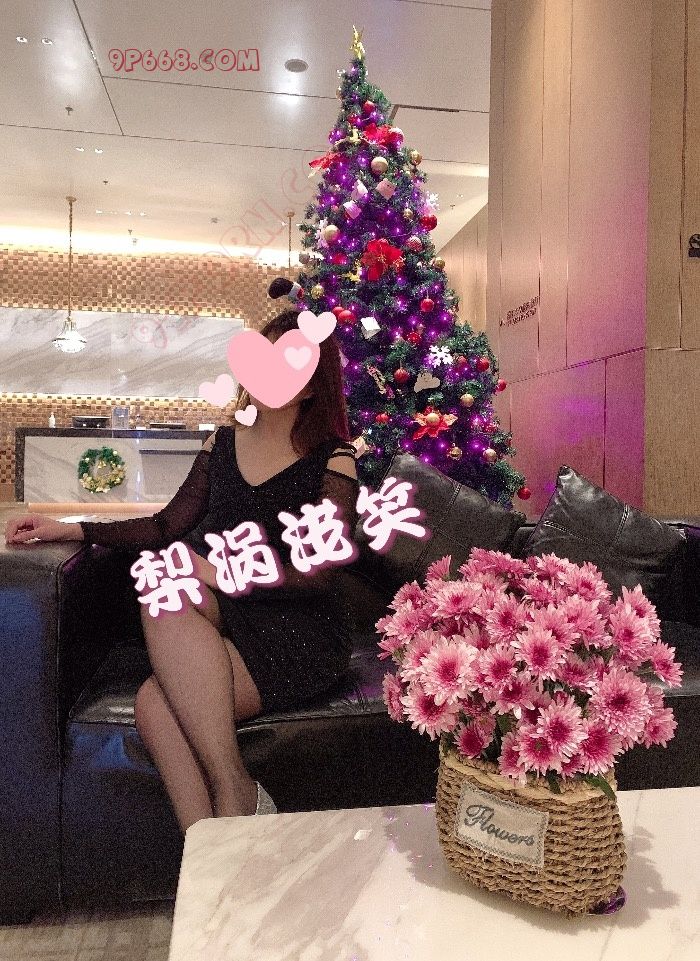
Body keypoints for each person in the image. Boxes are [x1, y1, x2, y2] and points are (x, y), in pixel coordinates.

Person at [4, 306, 360, 834]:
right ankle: (215, 841)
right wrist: (73, 528)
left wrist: (218, 574)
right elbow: (165, 524)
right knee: (165, 583)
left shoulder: (332, 458)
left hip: (296, 629)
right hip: (228, 617)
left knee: (154, 705)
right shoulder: (223, 443)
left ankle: (229, 798)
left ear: (311, 385)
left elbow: (320, 573)